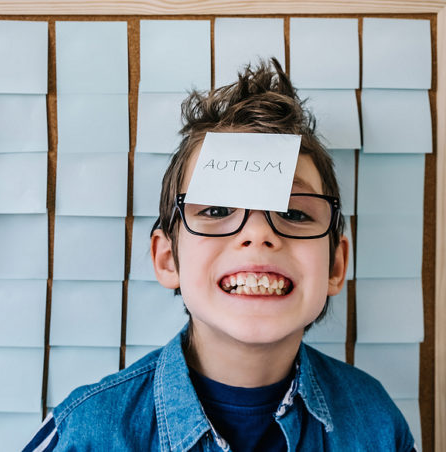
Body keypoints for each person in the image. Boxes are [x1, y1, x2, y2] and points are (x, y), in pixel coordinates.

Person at [23, 58, 416, 451]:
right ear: (167, 259)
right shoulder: (84, 432)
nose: (257, 235)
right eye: (216, 211)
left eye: (294, 213)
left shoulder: (377, 423)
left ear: (335, 265)